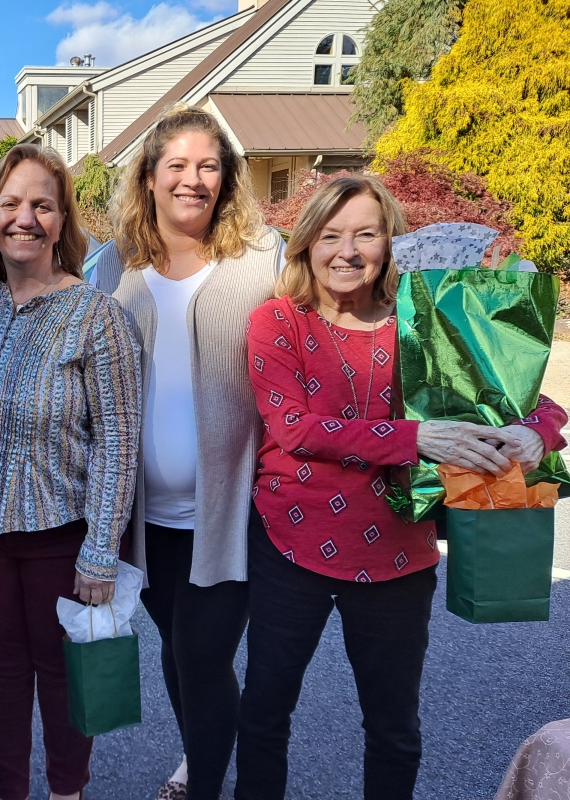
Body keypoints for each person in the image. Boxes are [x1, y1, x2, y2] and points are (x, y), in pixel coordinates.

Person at [235, 175, 568, 800]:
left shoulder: (425, 321)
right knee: (264, 712)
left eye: (366, 234)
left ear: (390, 243)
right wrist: (417, 437)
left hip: (396, 553)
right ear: (306, 244)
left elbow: (521, 397)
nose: (347, 251)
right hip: (290, 544)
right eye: (330, 235)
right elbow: (293, 427)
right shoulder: (278, 322)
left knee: (393, 729)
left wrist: (536, 434)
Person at [92, 103, 284, 800]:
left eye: (208, 166)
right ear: (149, 176)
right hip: (146, 523)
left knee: (202, 655)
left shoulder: (263, 258)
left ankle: (203, 783)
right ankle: (196, 756)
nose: (192, 180)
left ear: (226, 178)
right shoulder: (111, 266)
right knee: (178, 651)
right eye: (177, 165)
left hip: (231, 516)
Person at [0, 143, 141, 800]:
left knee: (62, 675)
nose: (25, 218)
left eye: (42, 205)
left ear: (62, 221)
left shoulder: (96, 316)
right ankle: (9, 791)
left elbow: (119, 443)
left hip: (64, 539)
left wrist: (101, 552)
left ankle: (66, 791)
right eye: (10, 203)